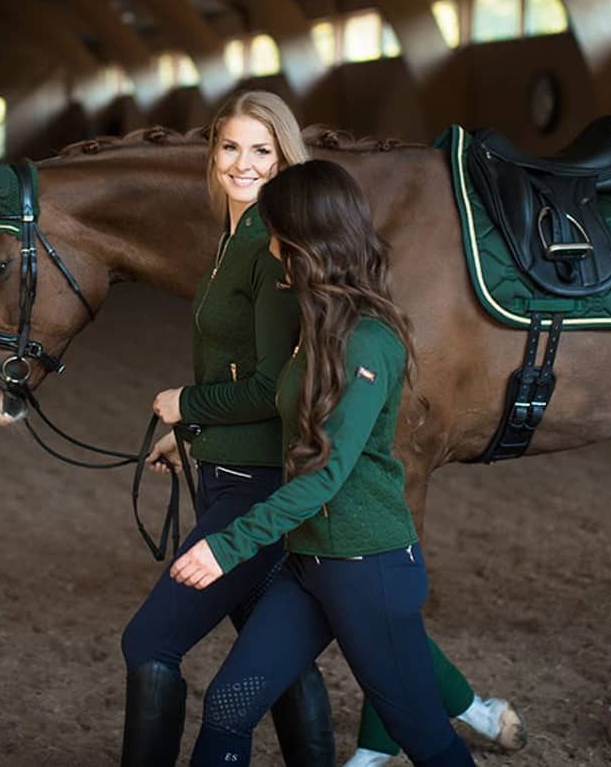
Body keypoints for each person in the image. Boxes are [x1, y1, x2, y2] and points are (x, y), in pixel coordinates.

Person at [170, 159, 483, 766]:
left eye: (279, 234)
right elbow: (283, 416)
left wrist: (225, 547)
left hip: (370, 570)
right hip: (310, 564)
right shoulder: (317, 325)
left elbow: (325, 474)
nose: (273, 247)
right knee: (230, 704)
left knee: (425, 739)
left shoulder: (369, 339)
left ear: (308, 243)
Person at [119, 91, 334, 766]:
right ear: (213, 154)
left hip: (255, 485)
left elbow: (275, 386)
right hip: (226, 471)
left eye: (261, 151)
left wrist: (189, 404)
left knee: (150, 643)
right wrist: (186, 437)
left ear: (283, 159)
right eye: (231, 147)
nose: (243, 163)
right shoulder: (233, 236)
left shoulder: (270, 248)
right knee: (273, 657)